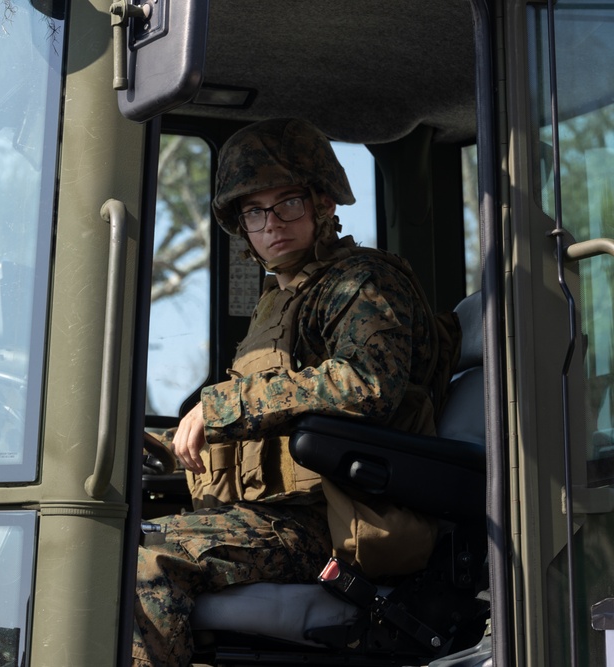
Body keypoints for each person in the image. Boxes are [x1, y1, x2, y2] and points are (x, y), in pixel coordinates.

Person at [131, 118, 459, 667]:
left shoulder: (361, 282)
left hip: (330, 521)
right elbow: (251, 424)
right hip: (276, 514)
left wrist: (220, 407)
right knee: (111, 534)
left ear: (323, 203)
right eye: (254, 212)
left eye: (287, 204)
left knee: (145, 559)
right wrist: (154, 443)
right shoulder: (277, 301)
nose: (271, 224)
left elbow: (367, 384)